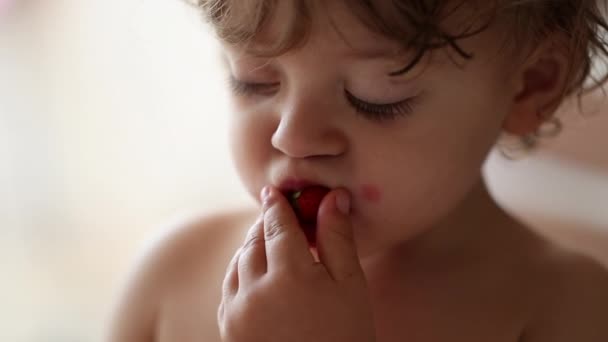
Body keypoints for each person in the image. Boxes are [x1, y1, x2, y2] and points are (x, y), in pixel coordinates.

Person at [106, 1, 608, 341]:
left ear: (530, 87)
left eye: (373, 99)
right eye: (254, 81)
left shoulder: (567, 310)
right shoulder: (170, 276)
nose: (292, 137)